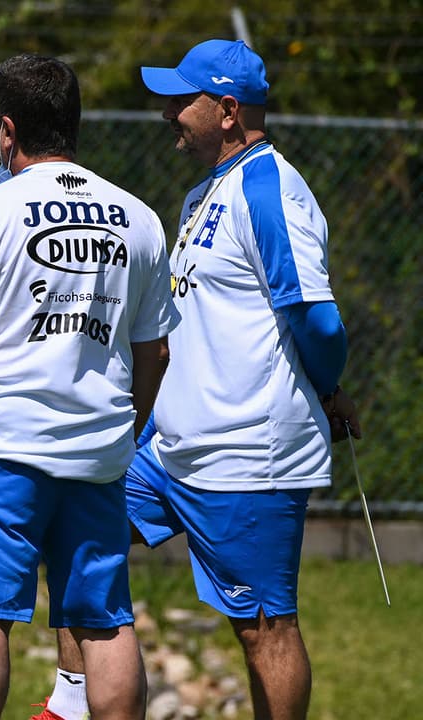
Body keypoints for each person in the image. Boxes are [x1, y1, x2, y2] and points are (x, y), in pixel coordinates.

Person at [33, 39, 361, 720]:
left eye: (182, 101)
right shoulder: (202, 194)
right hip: (168, 449)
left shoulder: (270, 191)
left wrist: (329, 390)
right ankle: (70, 705)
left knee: (263, 630)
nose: (167, 113)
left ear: (229, 110)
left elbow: (317, 320)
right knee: (72, 537)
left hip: (246, 456)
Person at [0, 53, 180, 720]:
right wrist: (124, 429)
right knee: (103, 619)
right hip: (97, 455)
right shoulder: (139, 218)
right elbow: (155, 350)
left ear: (7, 130)